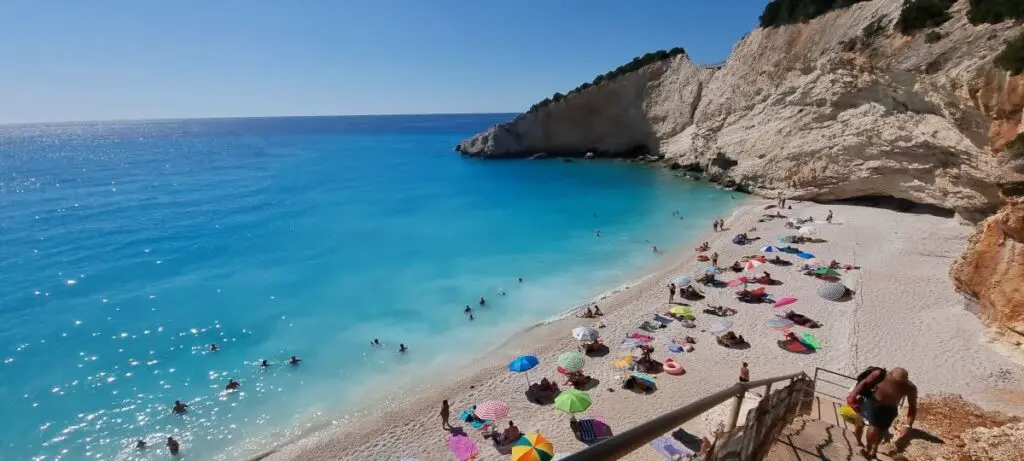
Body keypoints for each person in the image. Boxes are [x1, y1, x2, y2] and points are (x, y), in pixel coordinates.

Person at [847, 367, 918, 459]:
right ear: (890, 374)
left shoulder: (910, 388)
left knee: (882, 430)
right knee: (873, 427)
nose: (897, 385)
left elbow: (912, 408)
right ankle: (867, 448)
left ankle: (874, 450)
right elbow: (864, 382)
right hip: (874, 403)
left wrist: (907, 425)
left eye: (900, 384)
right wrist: (853, 395)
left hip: (891, 409)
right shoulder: (880, 375)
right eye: (895, 382)